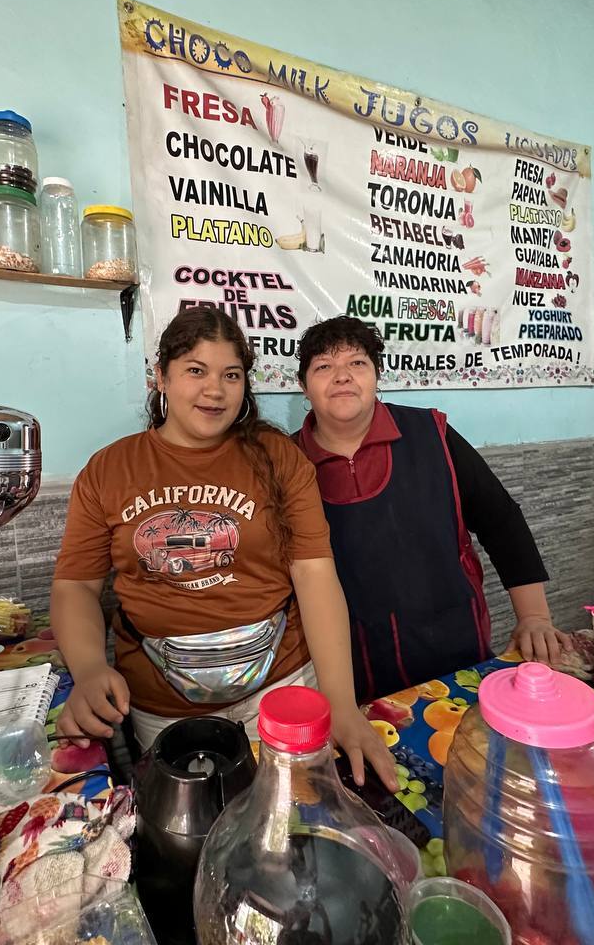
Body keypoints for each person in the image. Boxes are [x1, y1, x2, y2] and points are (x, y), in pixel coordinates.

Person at [52, 307, 397, 789]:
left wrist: (340, 703)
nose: (214, 390)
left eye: (230, 375)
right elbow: (76, 586)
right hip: (161, 707)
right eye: (196, 370)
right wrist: (89, 668)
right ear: (161, 378)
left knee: (294, 828)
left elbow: (315, 576)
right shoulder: (109, 469)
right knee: (193, 840)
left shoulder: (279, 458)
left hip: (284, 686)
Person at [294, 317, 569, 703]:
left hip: (453, 648)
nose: (342, 376)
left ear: (377, 375)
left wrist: (535, 617)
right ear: (304, 386)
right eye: (324, 366)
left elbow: (501, 521)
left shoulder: (432, 434)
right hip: (348, 669)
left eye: (357, 363)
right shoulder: (289, 462)